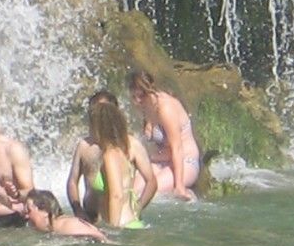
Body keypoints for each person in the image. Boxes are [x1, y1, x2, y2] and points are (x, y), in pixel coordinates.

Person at [129, 71, 201, 201]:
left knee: (148, 194)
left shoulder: (165, 108)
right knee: (132, 192)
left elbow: (177, 147)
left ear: (150, 90)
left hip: (185, 161)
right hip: (160, 161)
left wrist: (179, 187)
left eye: (141, 96)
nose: (138, 101)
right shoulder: (146, 106)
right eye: (134, 96)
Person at [90, 100, 157, 228]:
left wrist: (112, 231)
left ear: (99, 128)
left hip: (122, 225)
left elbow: (116, 195)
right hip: (130, 223)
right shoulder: (120, 151)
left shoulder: (110, 155)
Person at [66, 90, 118, 221]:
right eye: (95, 111)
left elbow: (150, 181)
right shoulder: (84, 146)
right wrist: (78, 210)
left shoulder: (124, 145)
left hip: (118, 215)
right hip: (91, 216)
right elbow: (72, 181)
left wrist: (138, 206)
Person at [23, 190, 109, 243]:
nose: (26, 216)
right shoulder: (56, 227)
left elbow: (99, 238)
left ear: (45, 211)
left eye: (29, 211)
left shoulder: (65, 225)